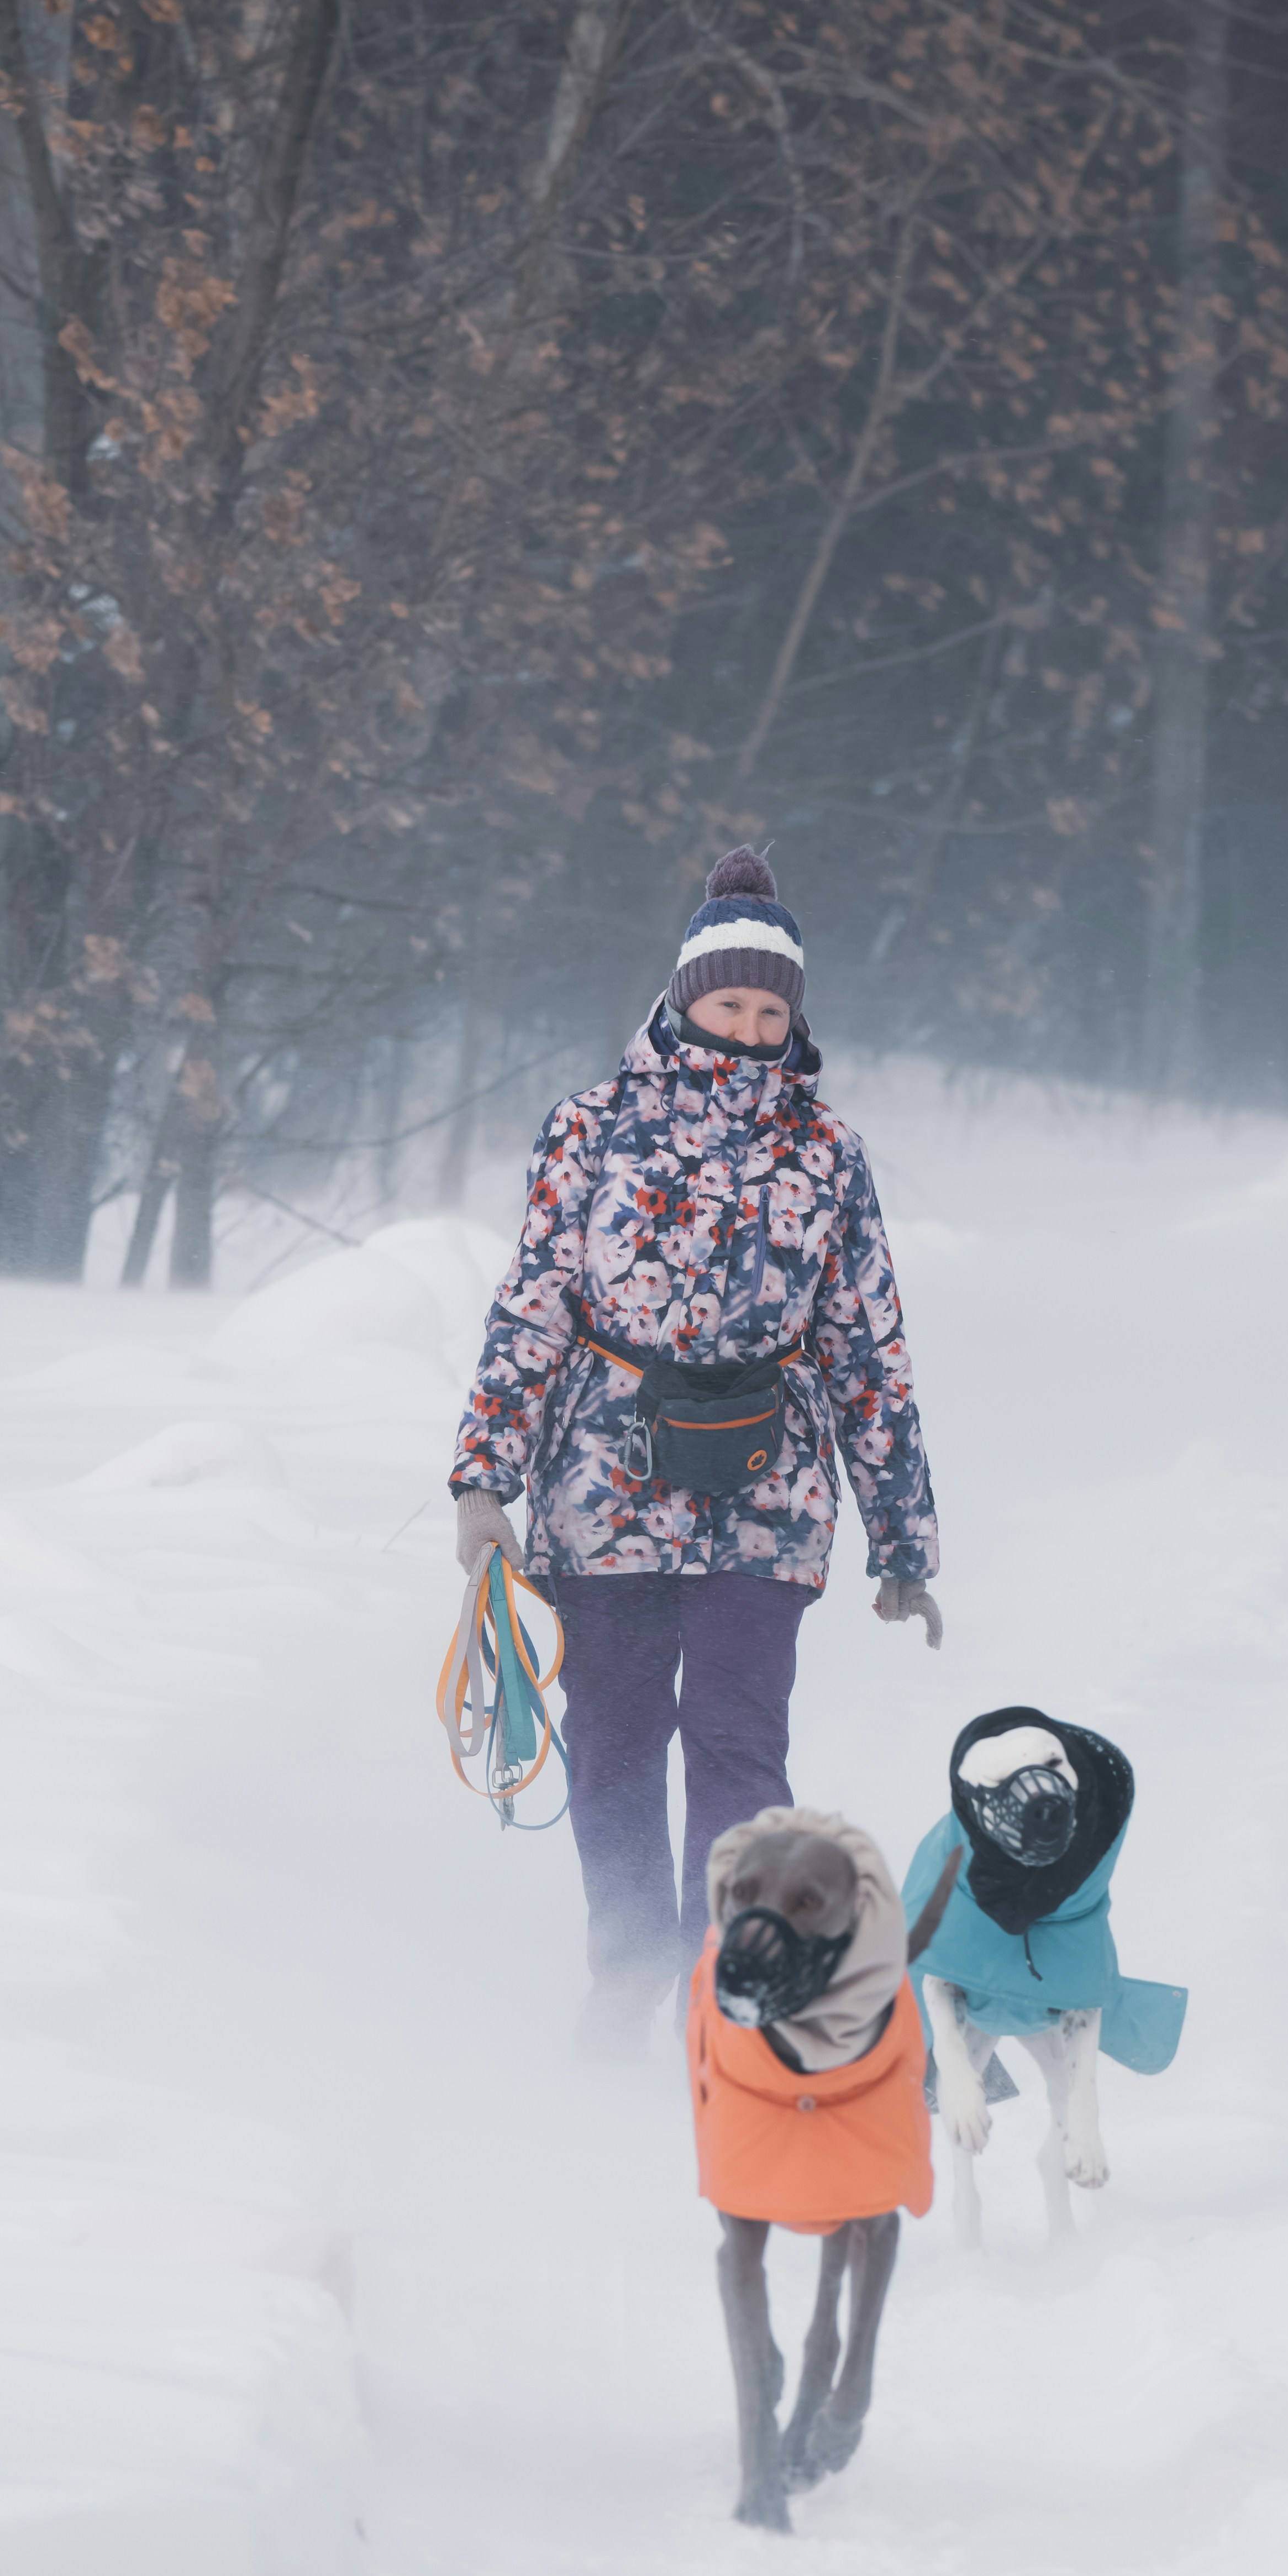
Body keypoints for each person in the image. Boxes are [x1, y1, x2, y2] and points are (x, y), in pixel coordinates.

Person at [446, 846, 944, 2038]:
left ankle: (720, 1995)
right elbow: (532, 1304)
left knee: (737, 1747)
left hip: (765, 1495)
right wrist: (483, 1482)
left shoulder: (827, 1153)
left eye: (773, 1009)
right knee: (613, 1744)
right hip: (598, 1487)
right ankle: (626, 1977)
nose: (749, 1025)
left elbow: (868, 1346)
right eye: (730, 1002)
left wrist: (904, 1540)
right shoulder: (589, 1130)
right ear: (683, 999)